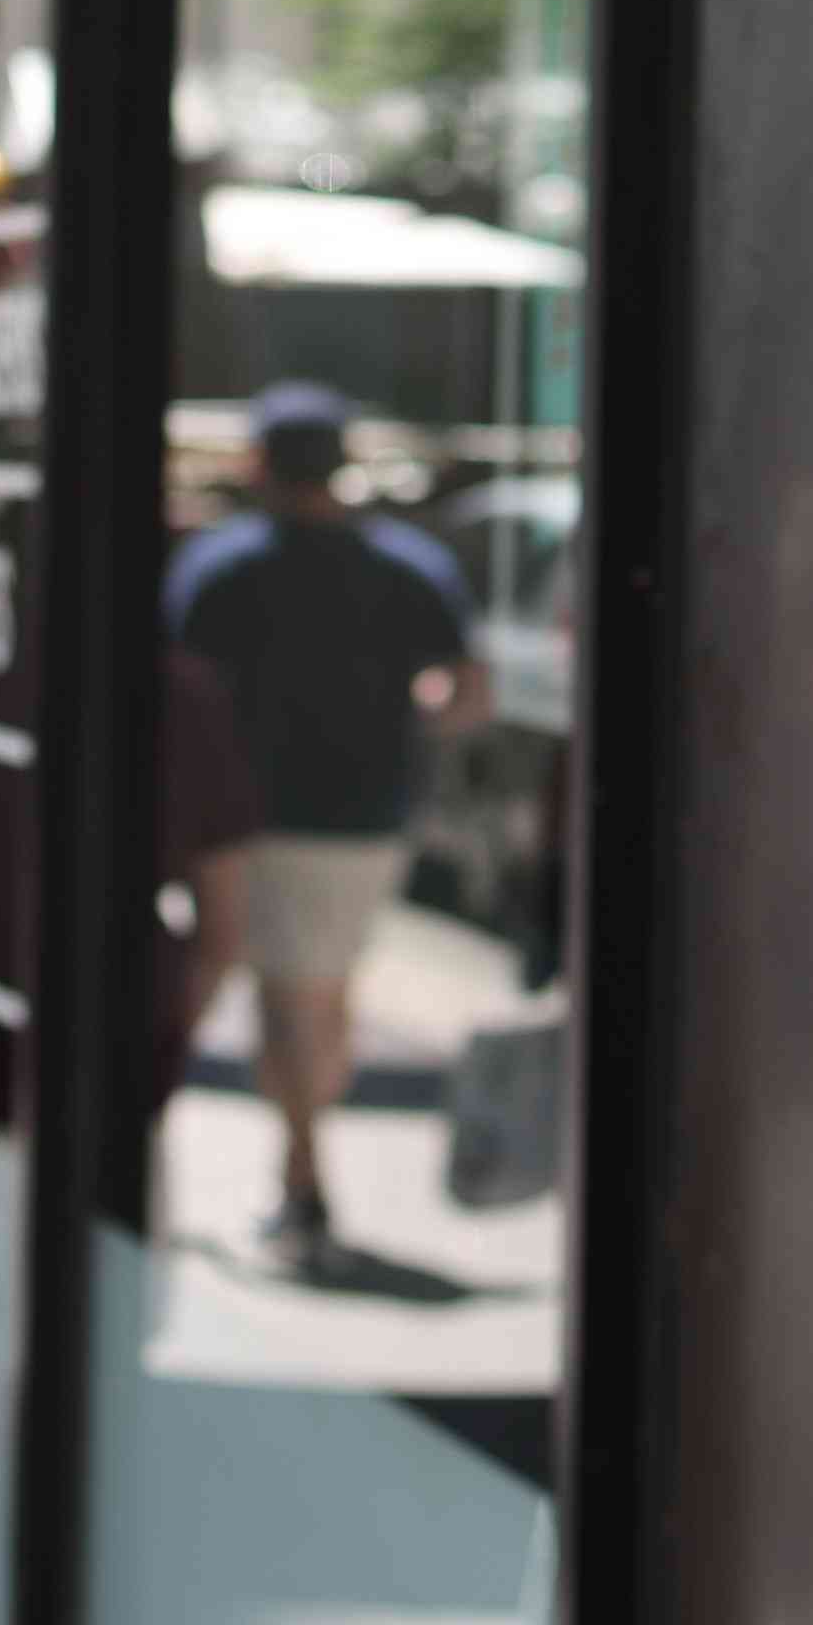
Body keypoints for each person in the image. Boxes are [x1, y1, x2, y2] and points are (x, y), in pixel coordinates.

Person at [163, 381, 478, 1277]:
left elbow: (177, 698)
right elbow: (468, 695)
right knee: (323, 996)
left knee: (289, 1004)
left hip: (258, 819)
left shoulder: (219, 569)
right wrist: (413, 723)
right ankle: (303, 1170)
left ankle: (305, 1189)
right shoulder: (412, 567)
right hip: (371, 819)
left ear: (259, 464)